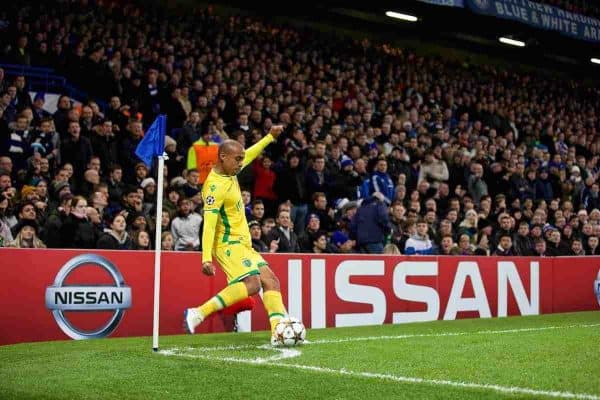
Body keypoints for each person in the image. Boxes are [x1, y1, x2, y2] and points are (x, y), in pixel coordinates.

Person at [184, 125, 289, 340]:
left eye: (242, 159)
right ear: (223, 157)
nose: (242, 164)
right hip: (226, 244)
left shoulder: (231, 170)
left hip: (243, 244)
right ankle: (198, 313)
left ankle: (278, 332)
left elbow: (249, 153)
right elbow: (210, 225)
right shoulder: (214, 187)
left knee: (271, 281)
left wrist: (269, 137)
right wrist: (205, 258)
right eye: (237, 159)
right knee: (252, 284)